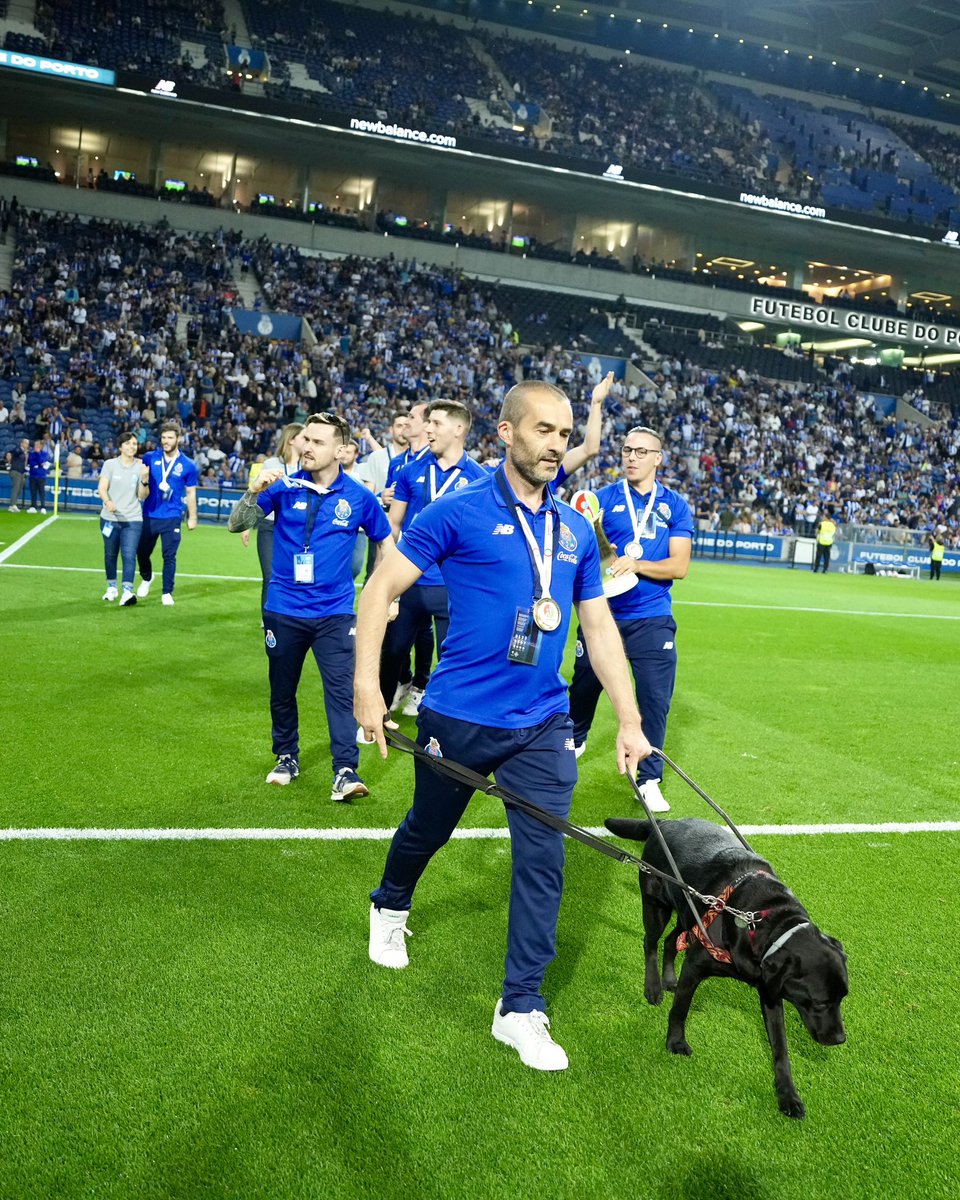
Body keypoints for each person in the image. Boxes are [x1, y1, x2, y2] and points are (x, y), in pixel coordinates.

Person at [355, 380, 652, 1072]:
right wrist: (367, 690)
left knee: (545, 860)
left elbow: (598, 629)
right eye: (544, 430)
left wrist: (630, 720)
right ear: (507, 433)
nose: (556, 444)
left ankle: (520, 1007)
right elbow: (378, 592)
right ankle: (390, 903)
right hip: (457, 716)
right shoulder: (453, 514)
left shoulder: (576, 529)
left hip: (542, 724)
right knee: (428, 828)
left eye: (564, 432)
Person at [228, 412, 394, 799]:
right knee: (282, 688)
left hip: (335, 613)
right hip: (283, 609)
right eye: (305, 439)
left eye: (317, 442)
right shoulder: (282, 487)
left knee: (340, 691)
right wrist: (253, 492)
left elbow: (386, 542)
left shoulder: (359, 497)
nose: (306, 447)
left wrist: (387, 594)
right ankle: (286, 755)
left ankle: (345, 771)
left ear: (341, 451)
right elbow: (237, 524)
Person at [568, 424, 694, 813]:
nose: (631, 457)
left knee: (654, 700)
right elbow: (586, 553)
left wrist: (637, 564)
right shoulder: (601, 499)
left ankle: (649, 777)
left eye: (641, 452)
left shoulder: (675, 505)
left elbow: (680, 566)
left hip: (651, 618)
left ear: (658, 458)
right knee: (583, 689)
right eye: (626, 450)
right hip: (601, 616)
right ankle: (574, 742)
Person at [378, 399, 487, 718]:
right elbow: (394, 525)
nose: (428, 428)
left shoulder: (480, 478)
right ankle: (381, 713)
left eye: (436, 423)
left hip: (452, 585)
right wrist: (387, 577)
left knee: (453, 655)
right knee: (394, 649)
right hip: (411, 579)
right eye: (428, 423)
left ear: (458, 429)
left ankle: (449, 716)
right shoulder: (410, 470)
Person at [241, 422, 303, 611]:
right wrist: (246, 526)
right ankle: (268, 616)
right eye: (304, 438)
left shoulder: (308, 467)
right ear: (291, 440)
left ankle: (291, 614)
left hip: (296, 528)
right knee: (269, 574)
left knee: (296, 575)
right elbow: (256, 494)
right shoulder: (270, 464)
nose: (308, 443)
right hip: (269, 526)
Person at [136, 423, 199, 606]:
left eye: (170, 438)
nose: (166, 441)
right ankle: (147, 578)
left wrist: (192, 517)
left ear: (178, 439)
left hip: (172, 515)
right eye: (163, 437)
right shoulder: (149, 457)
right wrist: (144, 481)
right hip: (149, 513)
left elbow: (191, 493)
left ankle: (167, 592)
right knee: (141, 552)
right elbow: (141, 493)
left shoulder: (188, 465)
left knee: (169, 555)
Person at [97, 431, 143, 606]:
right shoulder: (110, 464)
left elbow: (142, 495)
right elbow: (102, 487)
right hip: (109, 518)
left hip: (132, 519)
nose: (132, 447)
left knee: (129, 555)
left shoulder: (140, 467)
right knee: (110, 554)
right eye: (128, 443)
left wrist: (145, 479)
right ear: (120, 446)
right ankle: (111, 588)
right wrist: (107, 501)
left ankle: (127, 592)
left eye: (135, 444)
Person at [27, 439, 52, 513]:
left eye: (37, 445)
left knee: (42, 492)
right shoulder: (31, 453)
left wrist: (38, 454)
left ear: (41, 446)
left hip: (41, 476)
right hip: (33, 475)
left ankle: (43, 507)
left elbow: (42, 462)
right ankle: (33, 506)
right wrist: (38, 464)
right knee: (33, 491)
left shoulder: (45, 454)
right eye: (35, 445)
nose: (35, 447)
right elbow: (31, 463)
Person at [8, 437, 27, 512]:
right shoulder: (18, 449)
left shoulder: (24, 452)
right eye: (25, 443)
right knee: (16, 488)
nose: (27, 445)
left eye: (27, 444)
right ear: (22, 443)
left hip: (21, 472)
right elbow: (12, 452)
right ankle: (12, 505)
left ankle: (14, 504)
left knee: (19, 488)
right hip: (16, 471)